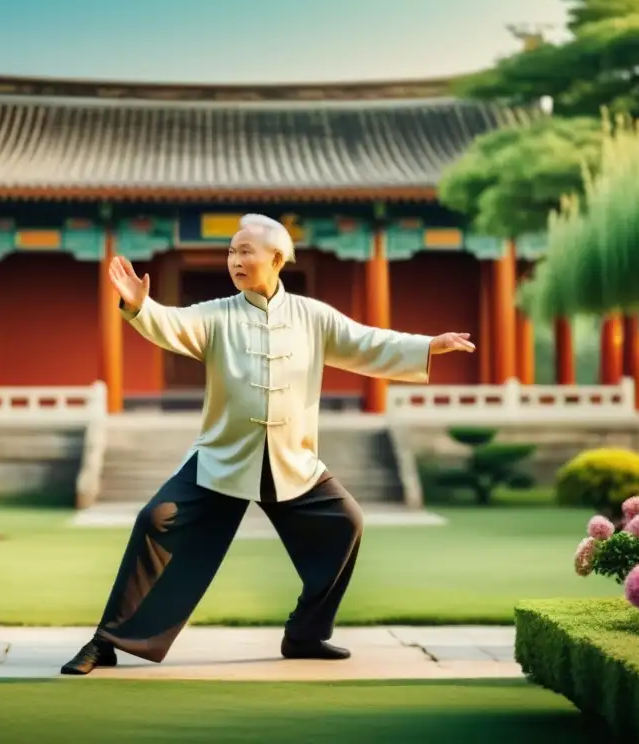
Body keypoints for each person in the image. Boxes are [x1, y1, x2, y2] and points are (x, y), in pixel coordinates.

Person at [61, 214, 475, 675]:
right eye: (231, 252)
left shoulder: (312, 317)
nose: (234, 260)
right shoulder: (216, 314)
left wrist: (427, 346)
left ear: (276, 258)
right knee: (155, 520)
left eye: (245, 251)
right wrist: (142, 306)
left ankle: (305, 635)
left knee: (346, 523)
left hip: (293, 461)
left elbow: (365, 342)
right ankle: (107, 641)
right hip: (221, 459)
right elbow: (173, 325)